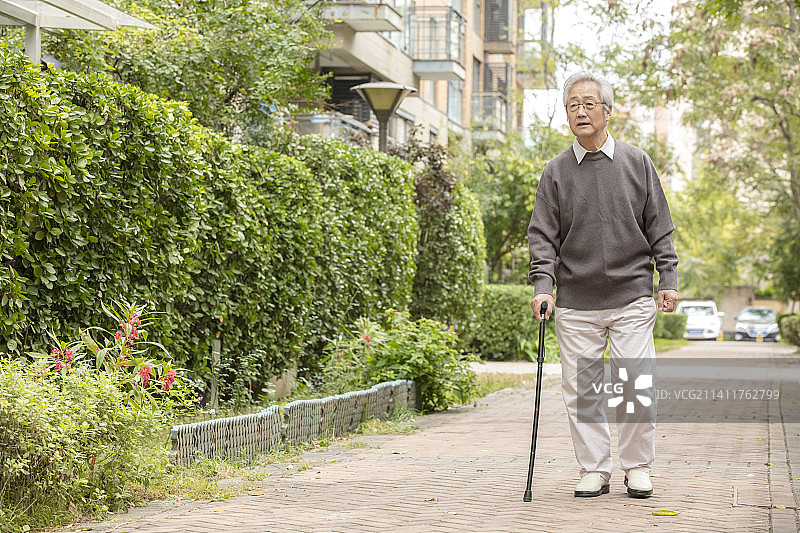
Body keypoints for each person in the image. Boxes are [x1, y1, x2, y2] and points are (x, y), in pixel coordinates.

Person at [527, 72, 679, 499]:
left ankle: (637, 467)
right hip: (576, 300)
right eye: (573, 104)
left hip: (631, 295)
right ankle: (594, 468)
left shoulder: (636, 162)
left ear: (608, 111)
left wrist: (667, 277)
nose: (580, 111)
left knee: (633, 384)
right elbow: (542, 236)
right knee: (583, 391)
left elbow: (659, 224)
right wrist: (543, 286)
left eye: (589, 103)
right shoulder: (555, 172)